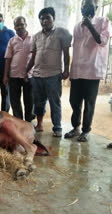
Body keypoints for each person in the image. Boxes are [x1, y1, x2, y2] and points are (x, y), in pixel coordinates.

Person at [64, 0, 111, 142]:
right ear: (81, 8)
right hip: (77, 70)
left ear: (96, 8)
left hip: (92, 71)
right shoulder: (77, 26)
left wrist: (90, 25)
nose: (86, 8)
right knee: (74, 101)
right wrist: (71, 71)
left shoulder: (103, 21)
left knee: (89, 103)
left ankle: (86, 131)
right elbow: (77, 48)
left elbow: (102, 41)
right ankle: (75, 127)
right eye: (84, 6)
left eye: (90, 5)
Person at [26, 7, 72, 137]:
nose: (44, 21)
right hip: (37, 75)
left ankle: (57, 127)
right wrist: (26, 71)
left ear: (53, 19)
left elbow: (66, 54)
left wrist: (66, 69)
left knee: (54, 102)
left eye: (47, 18)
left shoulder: (62, 33)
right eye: (42, 19)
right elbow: (34, 57)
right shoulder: (36, 36)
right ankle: (39, 124)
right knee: (38, 102)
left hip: (53, 75)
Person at [4, 16, 34, 122]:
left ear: (26, 25)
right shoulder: (12, 41)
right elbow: (8, 59)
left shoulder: (33, 39)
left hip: (30, 75)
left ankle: (28, 122)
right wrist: (5, 76)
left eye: (22, 24)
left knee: (29, 100)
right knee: (15, 101)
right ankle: (19, 122)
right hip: (14, 75)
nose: (20, 27)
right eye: (17, 25)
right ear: (14, 27)